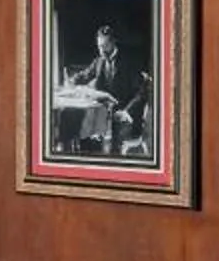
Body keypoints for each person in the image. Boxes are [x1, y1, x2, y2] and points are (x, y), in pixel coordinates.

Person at [57, 21, 150, 159]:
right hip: (102, 113)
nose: (102, 51)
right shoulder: (99, 61)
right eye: (100, 46)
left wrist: (127, 111)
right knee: (80, 129)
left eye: (105, 46)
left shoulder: (128, 62)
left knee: (108, 141)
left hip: (123, 114)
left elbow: (141, 93)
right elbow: (85, 75)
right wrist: (72, 81)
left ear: (114, 43)